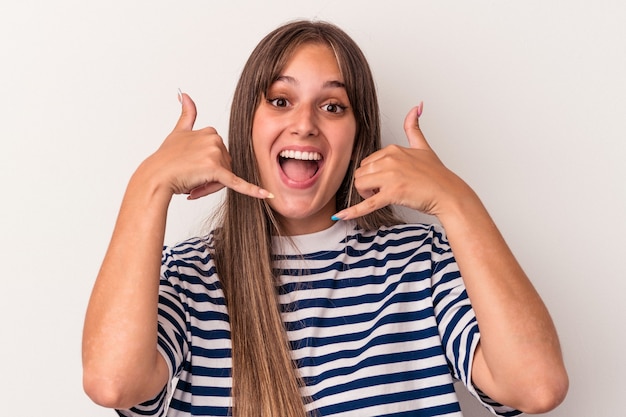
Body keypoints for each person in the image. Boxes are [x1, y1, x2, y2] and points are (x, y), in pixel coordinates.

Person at [82, 20, 568, 417]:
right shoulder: (188, 276)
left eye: (333, 106)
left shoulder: (421, 264)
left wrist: (456, 200)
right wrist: (149, 185)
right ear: (245, 125)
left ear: (358, 136)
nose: (305, 122)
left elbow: (536, 388)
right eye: (279, 100)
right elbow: (112, 384)